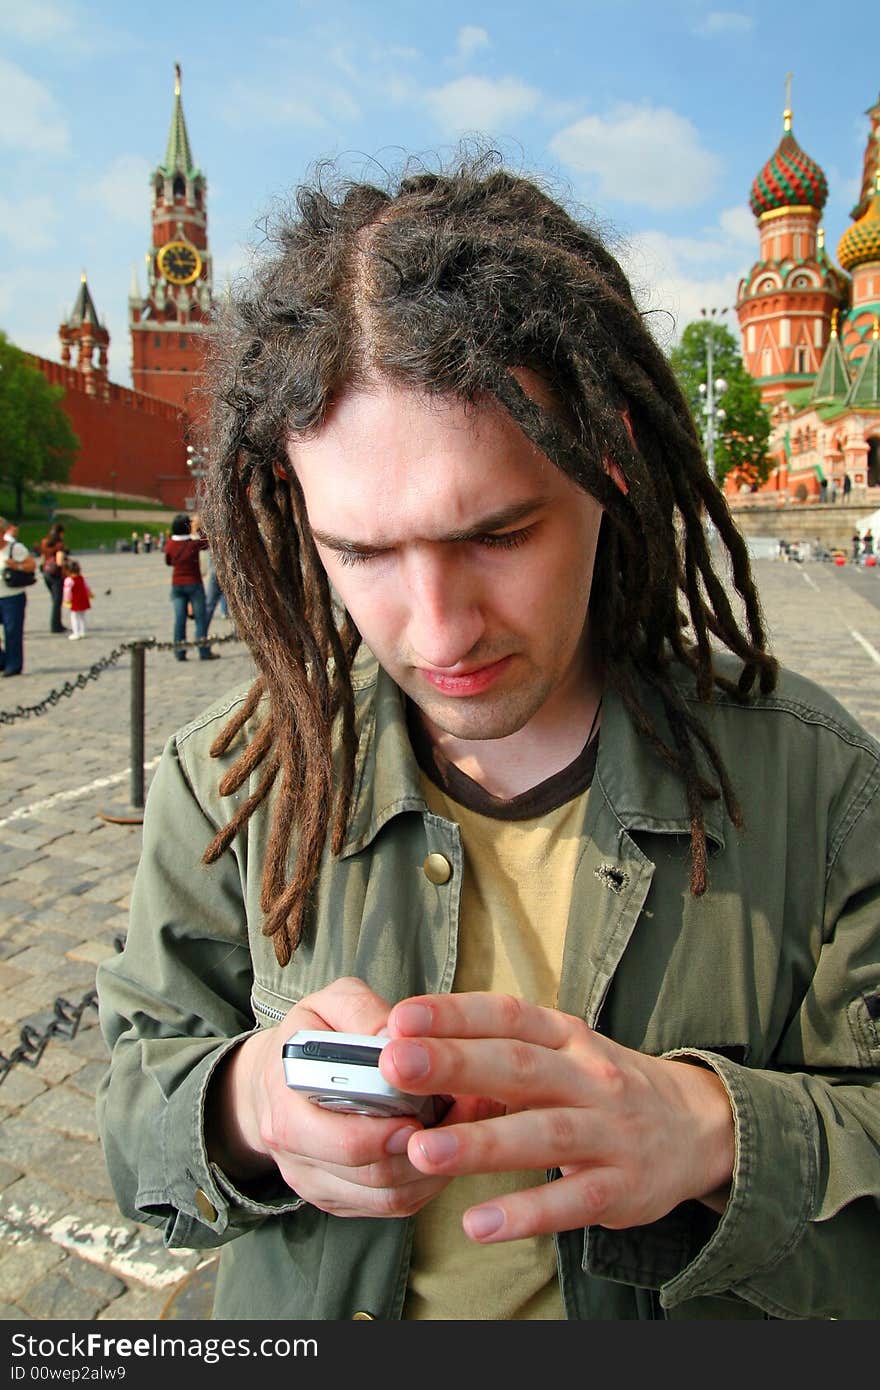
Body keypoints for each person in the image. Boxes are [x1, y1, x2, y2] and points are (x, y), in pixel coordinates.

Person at [95, 154, 880, 1322]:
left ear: (609, 462)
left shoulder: (817, 785)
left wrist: (716, 1134)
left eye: (499, 533)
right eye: (360, 552)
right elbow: (137, 1105)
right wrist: (249, 1105)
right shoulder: (230, 785)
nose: (441, 628)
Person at [163, 511, 219, 661]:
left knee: (179, 620)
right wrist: (197, 528)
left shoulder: (169, 544)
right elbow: (207, 542)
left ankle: (180, 652)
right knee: (200, 619)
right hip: (194, 584)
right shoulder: (193, 544)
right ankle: (203, 651)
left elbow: (168, 561)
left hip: (177, 586)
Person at [0, 517, 37, 677]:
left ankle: (13, 665)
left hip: (12, 597)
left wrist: (17, 565)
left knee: (12, 631)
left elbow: (31, 565)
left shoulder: (15, 548)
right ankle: (2, 660)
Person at [39, 521, 68, 633]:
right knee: (57, 601)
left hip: (47, 572)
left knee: (54, 599)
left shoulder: (45, 542)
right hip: (56, 574)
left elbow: (43, 556)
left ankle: (57, 624)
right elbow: (60, 560)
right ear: (60, 533)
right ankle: (56, 625)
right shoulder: (59, 544)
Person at [62, 558, 93, 639]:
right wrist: (90, 594)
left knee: (74, 617)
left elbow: (67, 591)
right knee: (82, 616)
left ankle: (76, 633)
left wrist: (66, 600)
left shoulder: (68, 580)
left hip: (75, 600)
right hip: (83, 599)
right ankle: (82, 631)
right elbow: (87, 587)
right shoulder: (81, 578)